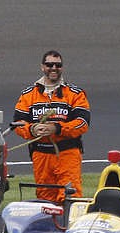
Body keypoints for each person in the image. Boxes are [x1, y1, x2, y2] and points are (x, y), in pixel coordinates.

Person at [12, 50, 91, 203]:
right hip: (41, 156)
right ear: (42, 67)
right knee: (44, 201)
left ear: (62, 68)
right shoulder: (28, 94)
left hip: (68, 154)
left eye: (58, 65)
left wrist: (58, 128)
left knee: (70, 199)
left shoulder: (75, 94)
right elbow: (18, 123)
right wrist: (32, 129)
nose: (54, 68)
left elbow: (83, 123)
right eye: (49, 64)